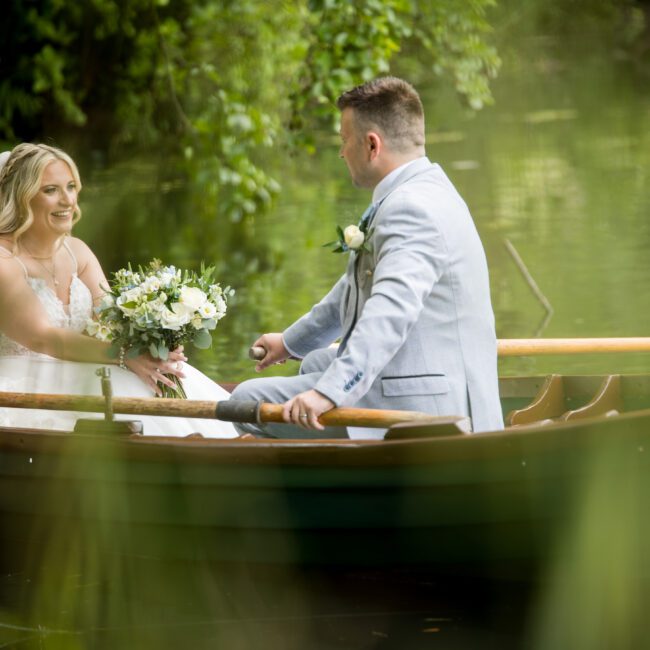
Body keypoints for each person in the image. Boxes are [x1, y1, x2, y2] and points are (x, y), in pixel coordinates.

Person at [230, 76, 504, 438]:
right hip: (435, 370)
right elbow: (354, 289)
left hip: (433, 407)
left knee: (244, 401)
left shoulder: (411, 209)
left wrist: (327, 393)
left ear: (372, 145)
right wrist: (291, 342)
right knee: (314, 359)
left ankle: (338, 486)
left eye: (344, 140)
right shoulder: (428, 188)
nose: (342, 152)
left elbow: (390, 313)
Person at [0, 143, 236, 437]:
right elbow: (44, 338)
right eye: (50, 190)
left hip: (82, 366)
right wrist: (126, 356)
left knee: (166, 377)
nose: (68, 200)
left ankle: (225, 439)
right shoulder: (4, 261)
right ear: (21, 197)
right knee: (123, 381)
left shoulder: (76, 252)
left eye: (71, 187)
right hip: (26, 384)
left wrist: (155, 344)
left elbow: (111, 320)